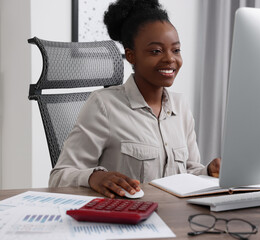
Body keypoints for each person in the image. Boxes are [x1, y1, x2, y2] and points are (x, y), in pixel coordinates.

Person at [49, 0, 221, 198]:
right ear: (131, 56)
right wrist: (94, 177)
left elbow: (189, 174)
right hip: (125, 221)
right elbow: (59, 177)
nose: (170, 59)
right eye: (156, 51)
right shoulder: (104, 105)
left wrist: (208, 171)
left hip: (176, 217)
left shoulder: (180, 106)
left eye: (175, 50)